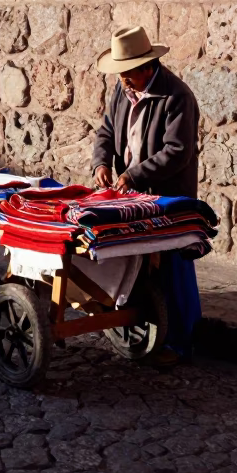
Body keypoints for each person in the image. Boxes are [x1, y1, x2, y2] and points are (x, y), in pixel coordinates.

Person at [91, 26, 202, 363]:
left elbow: (177, 151)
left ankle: (183, 343)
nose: (124, 80)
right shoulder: (122, 90)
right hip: (132, 196)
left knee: (174, 266)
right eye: (120, 74)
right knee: (138, 263)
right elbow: (107, 131)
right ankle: (146, 325)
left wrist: (133, 174)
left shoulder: (178, 97)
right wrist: (101, 162)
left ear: (146, 67)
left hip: (167, 197)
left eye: (128, 74)